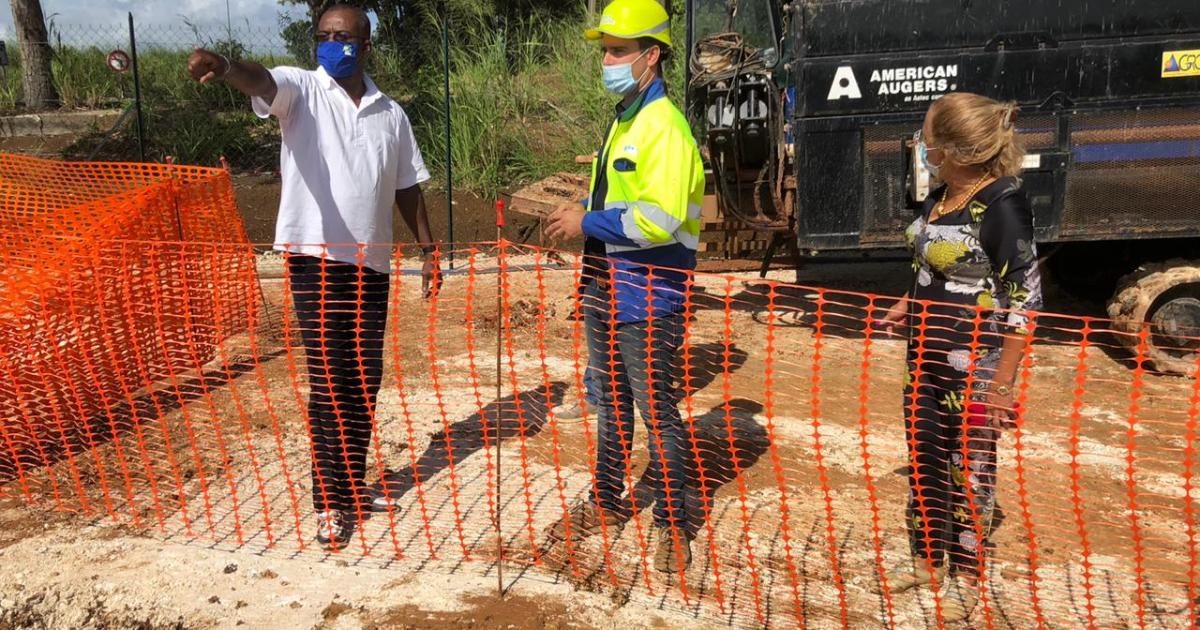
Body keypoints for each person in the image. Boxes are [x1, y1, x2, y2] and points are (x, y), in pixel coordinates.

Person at [187, 3, 440, 551]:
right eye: (324, 35)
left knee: (364, 378)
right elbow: (261, 79)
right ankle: (328, 499)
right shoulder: (301, 91)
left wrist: (427, 248)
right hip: (313, 258)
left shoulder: (390, 113)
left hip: (371, 263)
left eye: (344, 36)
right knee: (331, 378)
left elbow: (406, 186)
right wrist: (227, 65)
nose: (333, 44)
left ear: (367, 45)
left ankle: (350, 484)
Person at [543, 0, 705, 573]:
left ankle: (675, 521)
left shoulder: (664, 127)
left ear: (651, 55)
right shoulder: (625, 118)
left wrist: (584, 221)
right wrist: (587, 215)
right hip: (606, 284)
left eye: (617, 50)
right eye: (604, 50)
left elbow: (657, 220)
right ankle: (607, 501)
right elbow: (618, 199)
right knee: (611, 405)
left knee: (656, 409)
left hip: (649, 292)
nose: (607, 61)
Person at [878, 92, 1043, 622]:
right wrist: (909, 301)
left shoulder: (1001, 205)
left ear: (954, 148)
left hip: (977, 363)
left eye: (929, 139)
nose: (922, 147)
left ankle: (968, 572)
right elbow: (934, 266)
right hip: (922, 357)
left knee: (969, 470)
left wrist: (1002, 385)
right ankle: (930, 560)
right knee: (925, 456)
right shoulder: (941, 196)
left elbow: (1025, 301)